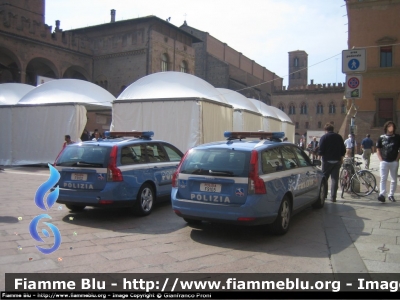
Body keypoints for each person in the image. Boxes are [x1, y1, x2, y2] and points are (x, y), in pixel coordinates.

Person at [318, 123, 346, 202]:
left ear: (325, 130)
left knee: (325, 178)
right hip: (337, 161)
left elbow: (321, 150)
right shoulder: (339, 137)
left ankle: (324, 195)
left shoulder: (324, 137)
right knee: (334, 179)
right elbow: (343, 149)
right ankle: (333, 197)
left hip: (327, 161)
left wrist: (319, 156)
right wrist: (341, 158)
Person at [376, 121, 400, 203]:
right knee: (383, 178)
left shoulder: (397, 137)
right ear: (386, 127)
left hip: (394, 161)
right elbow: (378, 148)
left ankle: (391, 195)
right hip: (384, 161)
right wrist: (380, 159)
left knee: (393, 179)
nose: (391, 127)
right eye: (389, 126)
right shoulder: (381, 137)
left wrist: (397, 159)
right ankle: (382, 194)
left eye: (392, 126)